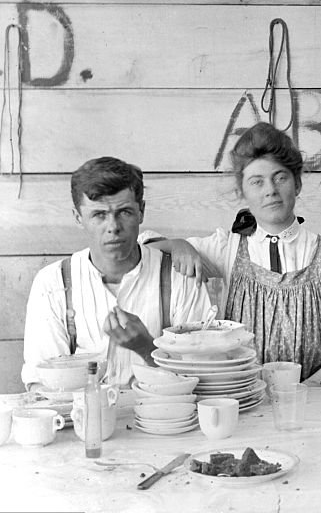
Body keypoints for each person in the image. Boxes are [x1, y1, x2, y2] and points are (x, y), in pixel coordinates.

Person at [145, 123, 321, 385]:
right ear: (243, 192)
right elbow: (141, 249)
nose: (270, 190)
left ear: (297, 183)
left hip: (312, 398)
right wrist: (177, 244)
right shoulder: (227, 249)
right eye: (257, 181)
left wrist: (298, 393)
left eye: (280, 177)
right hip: (242, 396)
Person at [22, 157, 211, 389]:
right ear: (78, 217)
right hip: (81, 418)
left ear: (141, 211)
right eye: (99, 214)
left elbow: (202, 378)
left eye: (124, 212)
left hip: (164, 417)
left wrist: (146, 348)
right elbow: (42, 382)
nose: (113, 227)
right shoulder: (53, 283)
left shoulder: (179, 276)